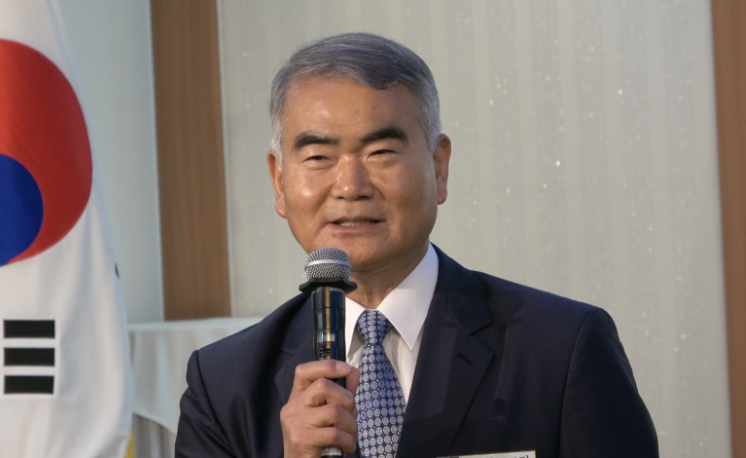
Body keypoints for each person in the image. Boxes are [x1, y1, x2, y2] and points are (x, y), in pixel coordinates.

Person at [175, 32, 658, 458]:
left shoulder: (562, 349)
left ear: (439, 166)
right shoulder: (223, 385)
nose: (350, 186)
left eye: (381, 152)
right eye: (319, 156)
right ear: (279, 182)